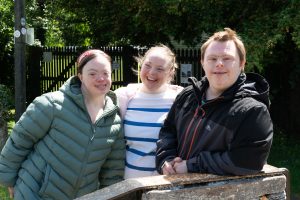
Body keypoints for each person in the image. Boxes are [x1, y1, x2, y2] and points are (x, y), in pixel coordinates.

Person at [0, 49, 125, 200]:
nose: (101, 78)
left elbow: (113, 170)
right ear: (80, 76)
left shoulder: (114, 120)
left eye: (106, 73)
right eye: (92, 73)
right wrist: (8, 180)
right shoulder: (50, 105)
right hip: (33, 193)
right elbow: (19, 141)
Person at [156, 28, 273, 176]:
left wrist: (190, 165)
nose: (219, 64)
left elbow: (248, 161)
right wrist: (166, 160)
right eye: (212, 59)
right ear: (203, 63)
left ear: (242, 63)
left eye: (227, 58)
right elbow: (168, 131)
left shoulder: (252, 111)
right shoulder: (187, 96)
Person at [115, 44, 183, 179]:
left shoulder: (179, 100)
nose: (152, 72)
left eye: (160, 68)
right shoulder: (123, 97)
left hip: (165, 186)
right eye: (148, 65)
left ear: (170, 72)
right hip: (128, 186)